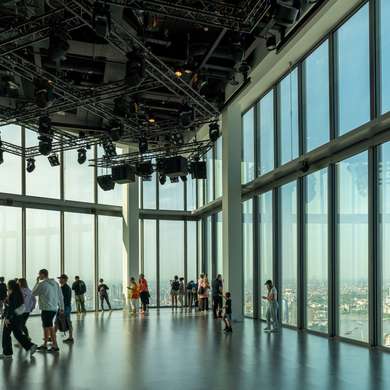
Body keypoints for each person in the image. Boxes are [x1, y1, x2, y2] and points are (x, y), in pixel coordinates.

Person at [0, 280, 38, 359]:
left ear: (10, 286)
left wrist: (8, 318)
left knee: (6, 335)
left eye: (8, 285)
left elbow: (12, 308)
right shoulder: (17, 293)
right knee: (18, 334)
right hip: (17, 317)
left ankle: (7, 353)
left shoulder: (14, 294)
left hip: (12, 318)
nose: (7, 287)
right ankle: (31, 346)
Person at [32, 269, 64, 352]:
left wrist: (37, 282)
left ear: (42, 274)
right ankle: (45, 344)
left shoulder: (42, 284)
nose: (38, 276)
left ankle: (55, 345)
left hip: (46, 309)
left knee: (49, 327)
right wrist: (61, 307)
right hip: (53, 308)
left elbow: (33, 293)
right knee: (46, 326)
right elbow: (60, 296)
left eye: (39, 274)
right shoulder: (56, 284)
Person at [57, 274, 74, 343]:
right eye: (59, 279)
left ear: (65, 280)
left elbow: (65, 299)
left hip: (65, 307)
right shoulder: (63, 287)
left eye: (61, 278)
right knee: (56, 322)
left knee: (68, 322)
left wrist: (62, 309)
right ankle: (52, 337)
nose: (59, 280)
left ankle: (70, 337)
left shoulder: (65, 288)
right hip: (64, 307)